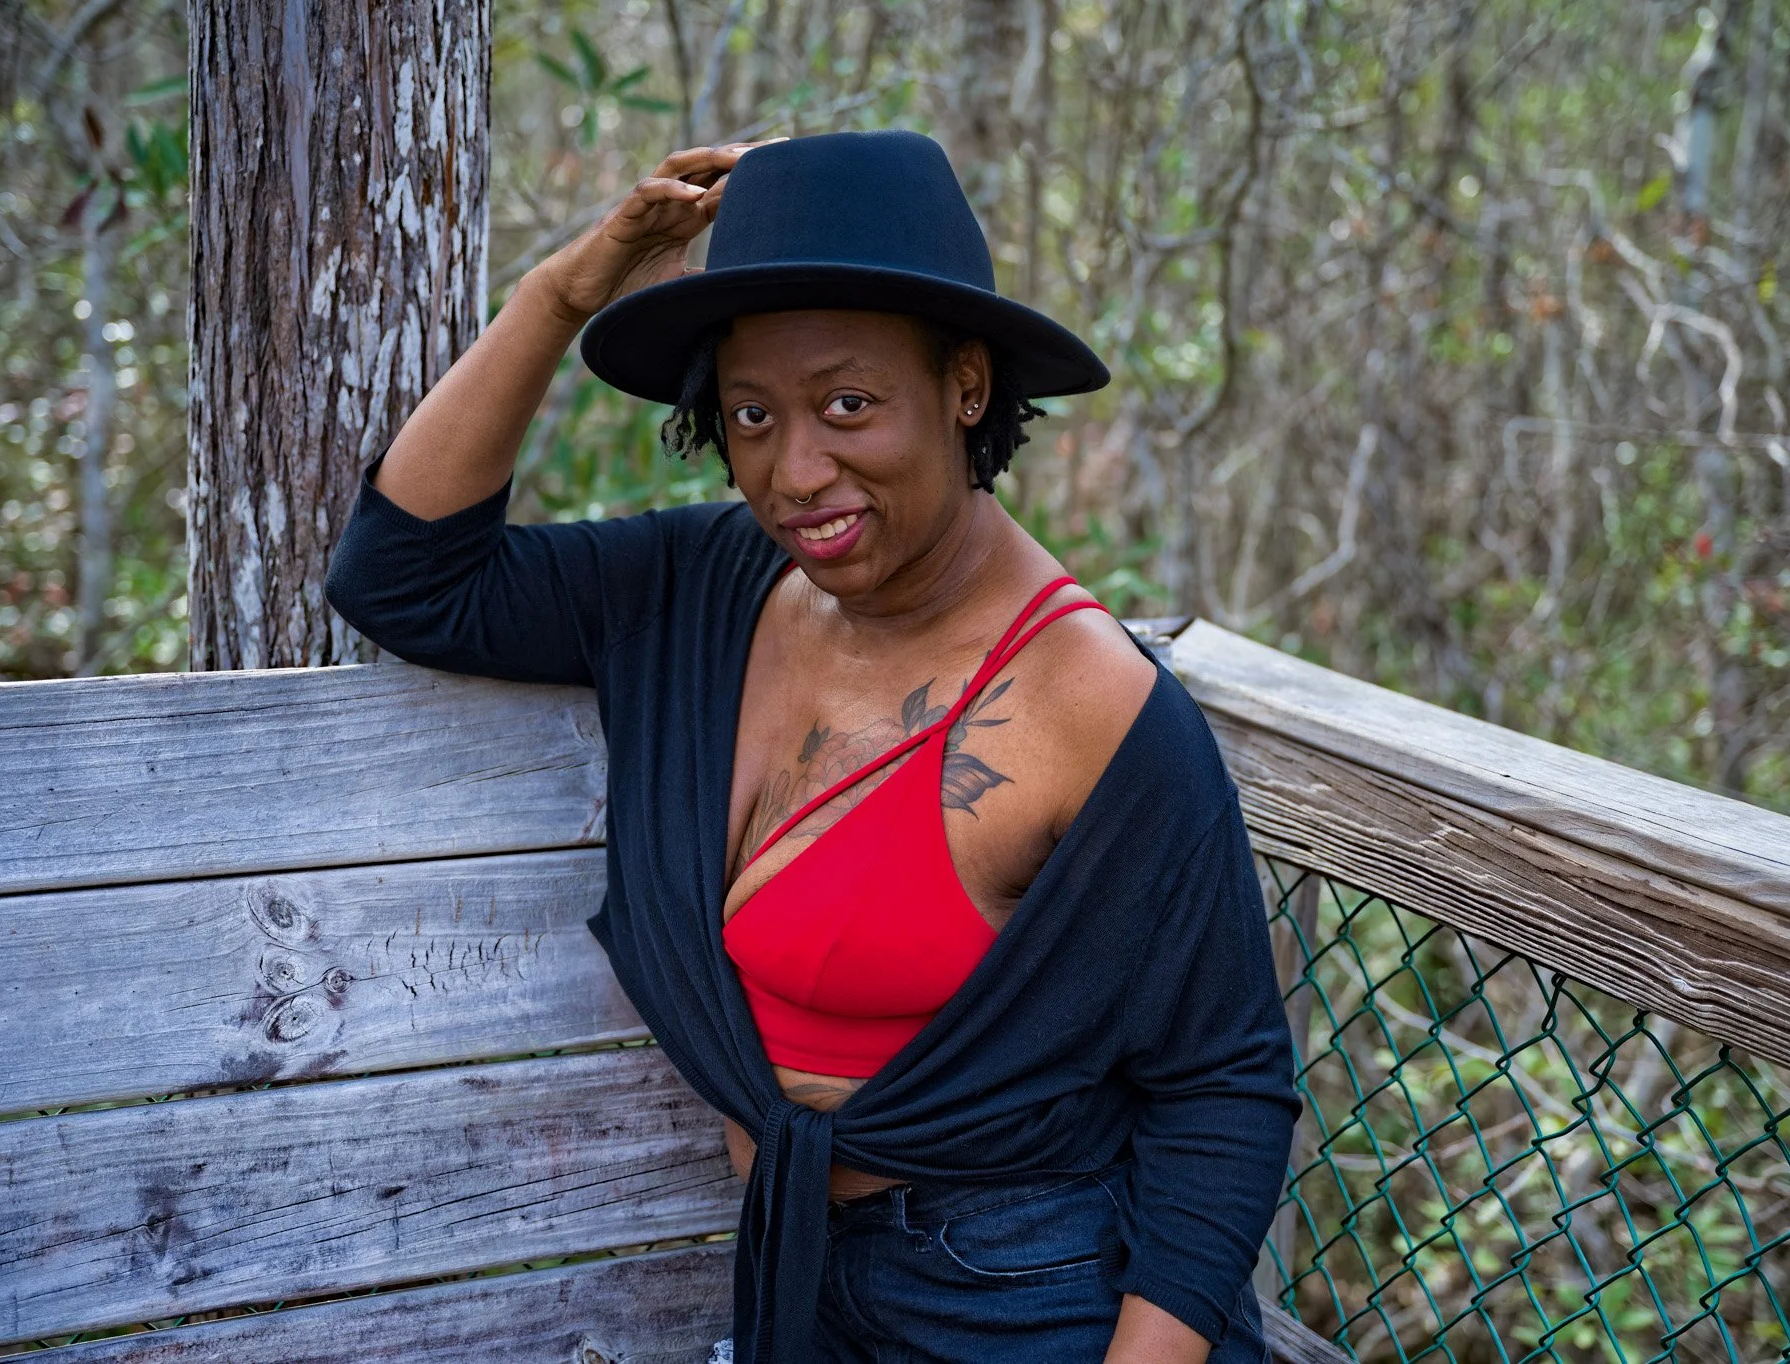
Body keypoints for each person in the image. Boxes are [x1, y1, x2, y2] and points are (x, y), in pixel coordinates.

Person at [325, 129, 1299, 1364]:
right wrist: (563, 292)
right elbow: (405, 580)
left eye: (848, 403)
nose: (794, 470)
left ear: (963, 385)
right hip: (798, 1273)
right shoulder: (703, 588)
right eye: (750, 414)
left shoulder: (1086, 705)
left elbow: (1221, 1085)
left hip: (1026, 1293)